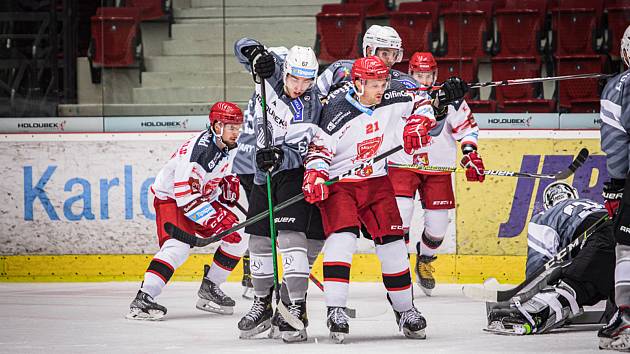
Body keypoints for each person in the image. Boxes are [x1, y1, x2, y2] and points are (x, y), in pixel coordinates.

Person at [303, 56, 435, 343]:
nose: (381, 89)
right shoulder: (336, 109)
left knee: (393, 243)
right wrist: (314, 175)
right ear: (357, 83)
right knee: (343, 238)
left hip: (376, 179)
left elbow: (423, 101)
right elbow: (319, 151)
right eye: (374, 84)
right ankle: (335, 309)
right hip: (342, 183)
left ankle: (405, 308)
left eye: (383, 82)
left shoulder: (393, 93)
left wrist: (418, 124)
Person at [233, 38, 325, 343]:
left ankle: (294, 306)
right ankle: (262, 302)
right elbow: (241, 47)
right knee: (259, 238)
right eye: (294, 78)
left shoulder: (309, 106)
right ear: (285, 72)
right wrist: (254, 52)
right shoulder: (271, 74)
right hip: (261, 174)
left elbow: (301, 150)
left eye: (306, 80)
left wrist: (280, 155)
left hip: (289, 173)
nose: (299, 86)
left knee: (288, 237)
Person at [125, 102, 245, 320]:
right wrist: (215, 220)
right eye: (231, 127)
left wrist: (228, 180)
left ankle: (211, 286)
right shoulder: (199, 152)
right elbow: (186, 196)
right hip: (172, 199)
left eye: (238, 127)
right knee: (177, 248)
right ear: (217, 126)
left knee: (239, 236)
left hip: (201, 196)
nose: (236, 133)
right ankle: (144, 298)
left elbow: (215, 172)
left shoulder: (226, 144)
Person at [387, 52, 482, 296]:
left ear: (435, 74)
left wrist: (470, 154)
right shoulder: (397, 94)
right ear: (410, 73)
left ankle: (425, 259)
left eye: (428, 75)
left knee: (438, 227)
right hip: (402, 165)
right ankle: (400, 270)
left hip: (437, 168)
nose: (424, 80)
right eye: (419, 75)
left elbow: (468, 129)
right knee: (401, 217)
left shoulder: (451, 97)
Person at [485, 181, 616, 335]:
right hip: (621, 235)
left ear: (548, 203)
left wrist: (532, 296)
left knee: (577, 284)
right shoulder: (594, 205)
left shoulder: (546, 216)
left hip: (602, 238)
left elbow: (538, 265)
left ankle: (537, 313)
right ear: (574, 195)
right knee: (615, 284)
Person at [598, 24, 630, 351]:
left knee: (627, 246)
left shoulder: (619, 87)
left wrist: (617, 184)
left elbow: (617, 146)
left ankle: (627, 318)